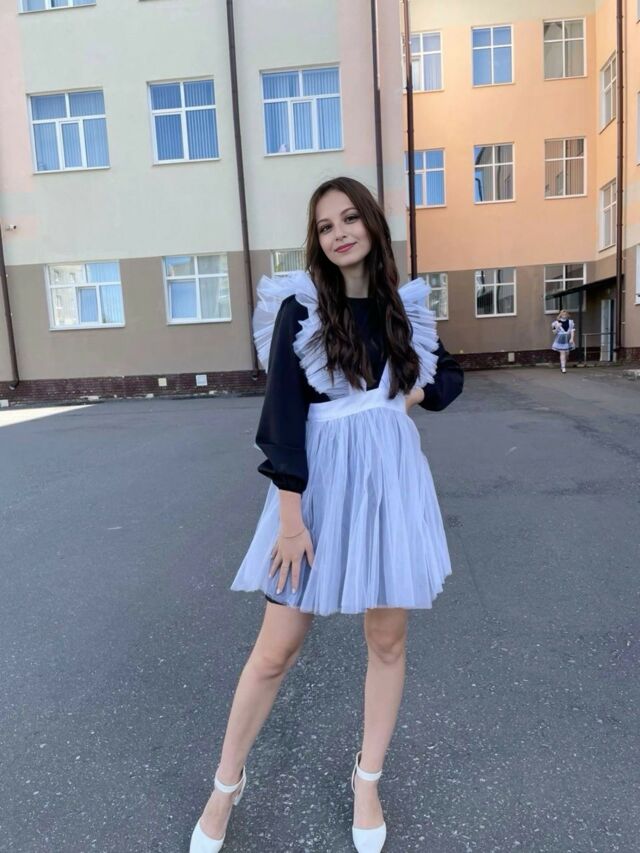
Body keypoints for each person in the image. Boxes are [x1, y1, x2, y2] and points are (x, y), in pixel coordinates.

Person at [190, 176, 464, 853]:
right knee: (275, 649)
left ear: (371, 223)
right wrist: (291, 520)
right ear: (316, 240)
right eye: (324, 226)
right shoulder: (304, 306)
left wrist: (411, 395)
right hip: (314, 493)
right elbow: (282, 417)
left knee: (387, 641)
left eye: (349, 218)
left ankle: (367, 780)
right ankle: (225, 785)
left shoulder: (404, 308)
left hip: (391, 488)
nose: (339, 233)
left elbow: (448, 375)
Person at [551, 308, 576, 373]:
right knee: (562, 353)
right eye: (563, 314)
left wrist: (572, 338)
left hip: (568, 339)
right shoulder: (556, 323)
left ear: (567, 315)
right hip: (560, 339)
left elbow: (572, 331)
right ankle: (563, 367)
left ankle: (564, 363)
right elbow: (554, 333)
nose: (564, 315)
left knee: (567, 353)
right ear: (560, 315)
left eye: (565, 314)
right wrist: (557, 327)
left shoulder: (570, 322)